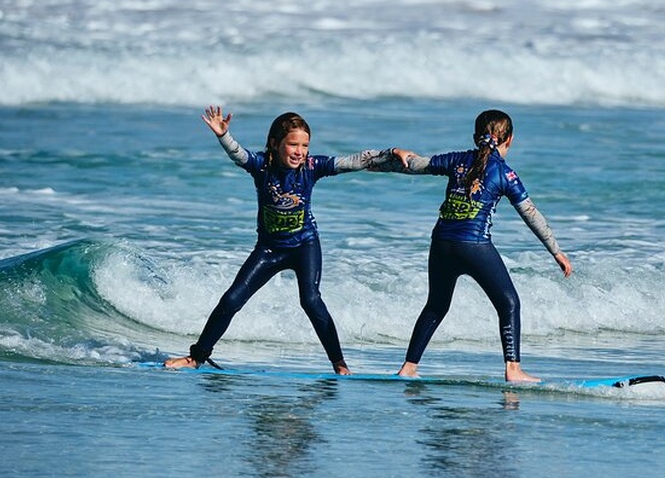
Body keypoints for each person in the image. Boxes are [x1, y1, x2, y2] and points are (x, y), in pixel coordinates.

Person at [164, 106, 410, 374]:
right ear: (274, 144)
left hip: (305, 245)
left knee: (311, 300)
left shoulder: (312, 167)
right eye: (293, 144)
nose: (299, 151)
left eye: (304, 145)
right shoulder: (262, 166)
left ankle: (340, 365)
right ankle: (197, 356)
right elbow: (239, 154)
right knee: (232, 299)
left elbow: (354, 161)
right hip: (269, 249)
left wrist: (390, 153)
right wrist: (224, 135)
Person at [384, 109, 572, 383]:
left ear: (475, 137)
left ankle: (409, 366)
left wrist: (395, 151)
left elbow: (414, 164)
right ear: (510, 140)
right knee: (509, 303)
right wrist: (556, 251)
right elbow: (531, 215)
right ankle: (513, 369)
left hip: (441, 245)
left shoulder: (455, 160)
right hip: (474, 247)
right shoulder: (504, 173)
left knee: (436, 306)